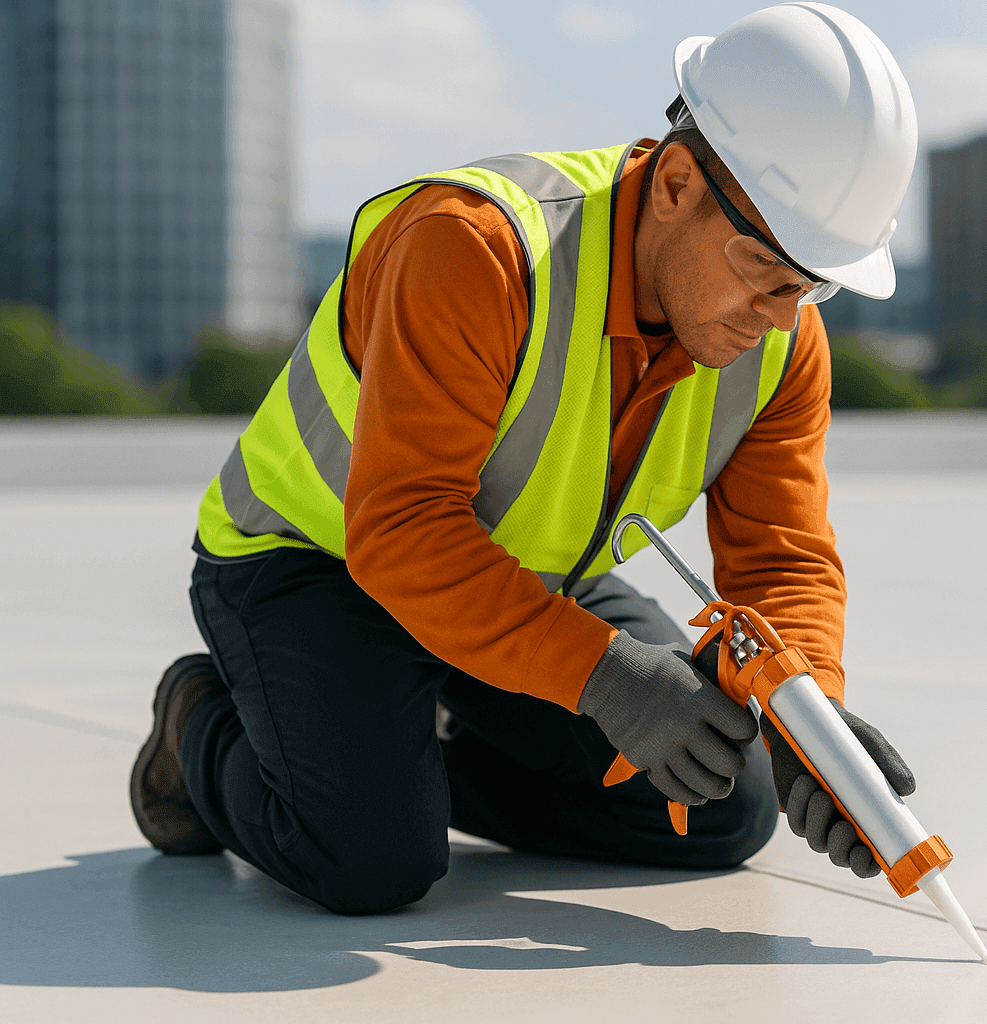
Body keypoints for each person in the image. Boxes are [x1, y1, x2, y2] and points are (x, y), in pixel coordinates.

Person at [129, 2, 921, 915]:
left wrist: (806, 720)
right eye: (766, 272)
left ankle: (399, 755)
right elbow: (401, 527)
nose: (782, 317)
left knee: (719, 805)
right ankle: (202, 722)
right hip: (312, 564)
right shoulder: (476, 249)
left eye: (813, 286)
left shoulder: (782, 344)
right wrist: (609, 678)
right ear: (675, 184)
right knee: (369, 859)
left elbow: (782, 560)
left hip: (517, 579)